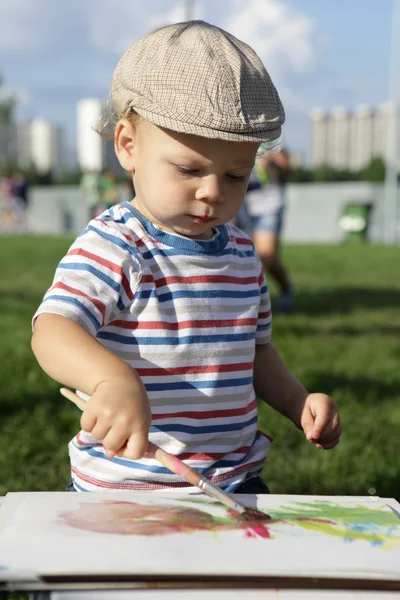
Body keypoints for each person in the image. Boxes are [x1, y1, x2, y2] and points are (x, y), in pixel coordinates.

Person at [31, 21, 341, 494]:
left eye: (236, 176)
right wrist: (111, 380)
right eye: (189, 169)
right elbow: (53, 330)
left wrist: (298, 401)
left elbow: (254, 353)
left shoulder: (240, 254)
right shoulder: (117, 244)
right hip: (128, 486)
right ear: (128, 146)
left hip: (234, 479)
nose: (213, 192)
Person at [246, 147, 294, 313]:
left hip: (269, 206)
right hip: (241, 205)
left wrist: (274, 164)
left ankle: (286, 289)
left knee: (267, 256)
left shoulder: (272, 140)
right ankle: (248, 302)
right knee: (241, 257)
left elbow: (287, 171)